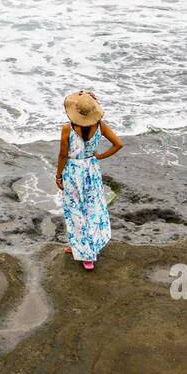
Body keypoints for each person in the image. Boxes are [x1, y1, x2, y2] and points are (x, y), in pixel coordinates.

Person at [55, 91, 122, 270]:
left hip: (73, 172)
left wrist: (58, 175)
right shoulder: (100, 125)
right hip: (91, 170)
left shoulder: (67, 128)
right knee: (92, 210)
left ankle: (85, 254)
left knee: (75, 210)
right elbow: (118, 144)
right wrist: (99, 156)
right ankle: (85, 249)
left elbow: (63, 155)